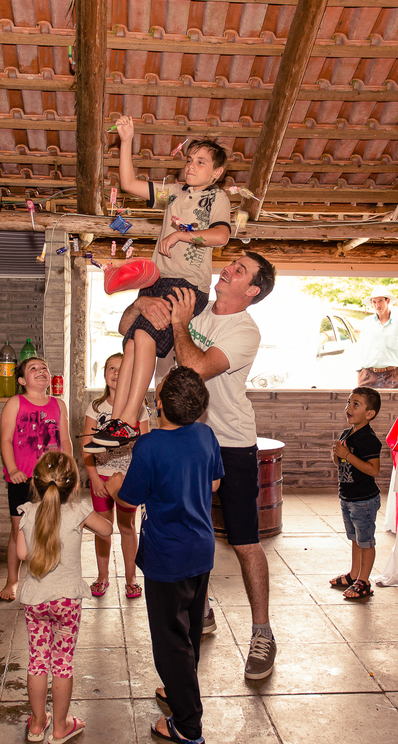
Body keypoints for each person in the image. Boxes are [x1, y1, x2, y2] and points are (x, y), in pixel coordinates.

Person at [118, 252, 278, 680]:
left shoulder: (244, 330)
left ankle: (262, 632)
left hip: (231, 443)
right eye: (232, 264)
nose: (228, 269)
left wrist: (177, 324)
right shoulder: (198, 307)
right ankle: (200, 608)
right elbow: (127, 333)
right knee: (190, 527)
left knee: (244, 542)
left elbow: (195, 367)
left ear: (252, 291)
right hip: (184, 437)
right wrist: (140, 306)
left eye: (239, 270)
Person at [85, 116, 231, 452]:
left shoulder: (216, 197)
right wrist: (126, 140)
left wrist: (183, 233)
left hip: (186, 285)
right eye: (190, 160)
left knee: (142, 335)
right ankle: (117, 422)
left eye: (201, 162)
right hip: (158, 279)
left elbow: (222, 235)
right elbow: (128, 182)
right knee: (132, 345)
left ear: (216, 173)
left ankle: (128, 422)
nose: (192, 166)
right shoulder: (175, 193)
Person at [107, 366, 222, 744]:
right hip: (201, 551)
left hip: (166, 558)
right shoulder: (205, 435)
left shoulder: (151, 445)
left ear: (158, 404)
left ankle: (188, 726)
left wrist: (115, 485)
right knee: (189, 630)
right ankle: (179, 692)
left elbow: (128, 500)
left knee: (170, 642)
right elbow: (215, 481)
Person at [15, 451, 112, 744]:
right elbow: (107, 529)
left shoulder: (28, 512)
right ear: (75, 484)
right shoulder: (78, 512)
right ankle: (60, 726)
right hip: (67, 601)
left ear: (36, 482)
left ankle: (37, 725)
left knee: (37, 661)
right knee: (62, 664)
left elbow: (21, 554)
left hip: (35, 599)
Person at [0, 357, 72, 602]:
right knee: (18, 531)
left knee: (52, 529)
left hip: (51, 480)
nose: (41, 371)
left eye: (44, 368)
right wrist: (13, 469)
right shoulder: (15, 403)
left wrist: (68, 470)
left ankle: (50, 577)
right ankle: (12, 579)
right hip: (22, 480)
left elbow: (65, 440)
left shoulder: (59, 404)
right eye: (33, 369)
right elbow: (6, 440)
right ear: (21, 380)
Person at [80, 353, 150, 599]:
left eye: (122, 369)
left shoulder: (138, 408)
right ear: (105, 374)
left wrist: (135, 479)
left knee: (127, 527)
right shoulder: (96, 407)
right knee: (103, 528)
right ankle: (102, 575)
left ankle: (131, 577)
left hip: (127, 479)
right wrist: (94, 477)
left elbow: (144, 447)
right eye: (111, 368)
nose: (116, 373)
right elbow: (86, 444)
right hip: (101, 477)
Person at [328, 387, 383, 600]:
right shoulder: (346, 434)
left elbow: (373, 469)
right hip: (347, 497)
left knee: (366, 541)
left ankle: (364, 581)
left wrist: (348, 455)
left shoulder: (369, 439)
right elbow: (340, 462)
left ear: (370, 414)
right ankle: (354, 574)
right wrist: (338, 455)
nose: (348, 408)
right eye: (349, 403)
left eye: (355, 404)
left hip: (364, 500)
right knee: (355, 539)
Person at [356, 287, 398, 389]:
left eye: (380, 301)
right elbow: (361, 347)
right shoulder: (366, 323)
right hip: (367, 374)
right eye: (374, 302)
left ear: (387, 301)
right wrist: (359, 371)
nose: (377, 305)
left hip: (390, 376)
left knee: (389, 404)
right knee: (363, 404)